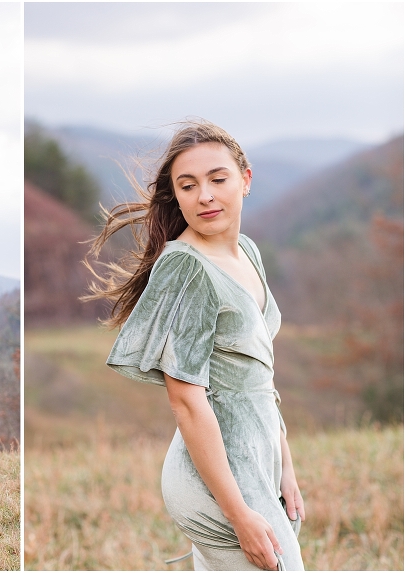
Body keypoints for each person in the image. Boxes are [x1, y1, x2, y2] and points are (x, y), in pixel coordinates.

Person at [84, 120, 305, 570]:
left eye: (217, 179)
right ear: (177, 196)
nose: (204, 195)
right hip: (216, 481)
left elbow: (258, 380)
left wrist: (284, 466)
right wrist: (239, 513)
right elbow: (186, 401)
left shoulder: (247, 251)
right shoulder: (186, 268)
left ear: (245, 180)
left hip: (255, 460)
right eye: (188, 186)